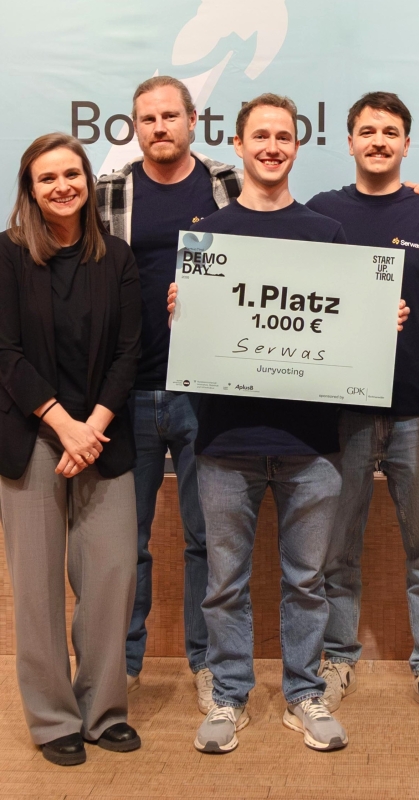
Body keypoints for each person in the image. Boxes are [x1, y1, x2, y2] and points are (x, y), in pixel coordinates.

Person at [167, 93, 408, 755]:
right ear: (238, 145)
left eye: (283, 137)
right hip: (225, 441)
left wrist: (376, 320)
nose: (272, 147)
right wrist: (183, 309)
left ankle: (304, 693)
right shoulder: (208, 236)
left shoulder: (327, 232)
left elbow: (350, 327)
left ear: (297, 147)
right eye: (261, 136)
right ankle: (230, 695)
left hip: (312, 445)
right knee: (225, 584)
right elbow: (197, 338)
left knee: (307, 582)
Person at [306, 91, 419, 727]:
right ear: (349, 141)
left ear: (407, 143)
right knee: (336, 554)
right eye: (367, 130)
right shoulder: (321, 211)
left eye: (390, 132)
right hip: (343, 411)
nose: (378, 141)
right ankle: (336, 658)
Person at [96, 76, 242, 710]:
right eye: (147, 119)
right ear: (136, 126)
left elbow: (286, 240)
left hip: (204, 393)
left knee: (207, 539)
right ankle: (122, 665)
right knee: (124, 543)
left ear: (192, 120)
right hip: (125, 392)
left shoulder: (227, 185)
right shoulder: (108, 191)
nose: (159, 127)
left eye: (169, 116)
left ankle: (207, 663)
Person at [0, 133, 142, 765]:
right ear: (30, 191)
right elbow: (5, 352)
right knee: (36, 586)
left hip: (103, 436)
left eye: (72, 174)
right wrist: (65, 425)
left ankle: (103, 711)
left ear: (89, 181)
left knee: (112, 577)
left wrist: (92, 427)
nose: (62, 186)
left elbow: (129, 353)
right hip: (33, 435)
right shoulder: (6, 255)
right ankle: (53, 717)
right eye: (47, 178)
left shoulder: (117, 256)